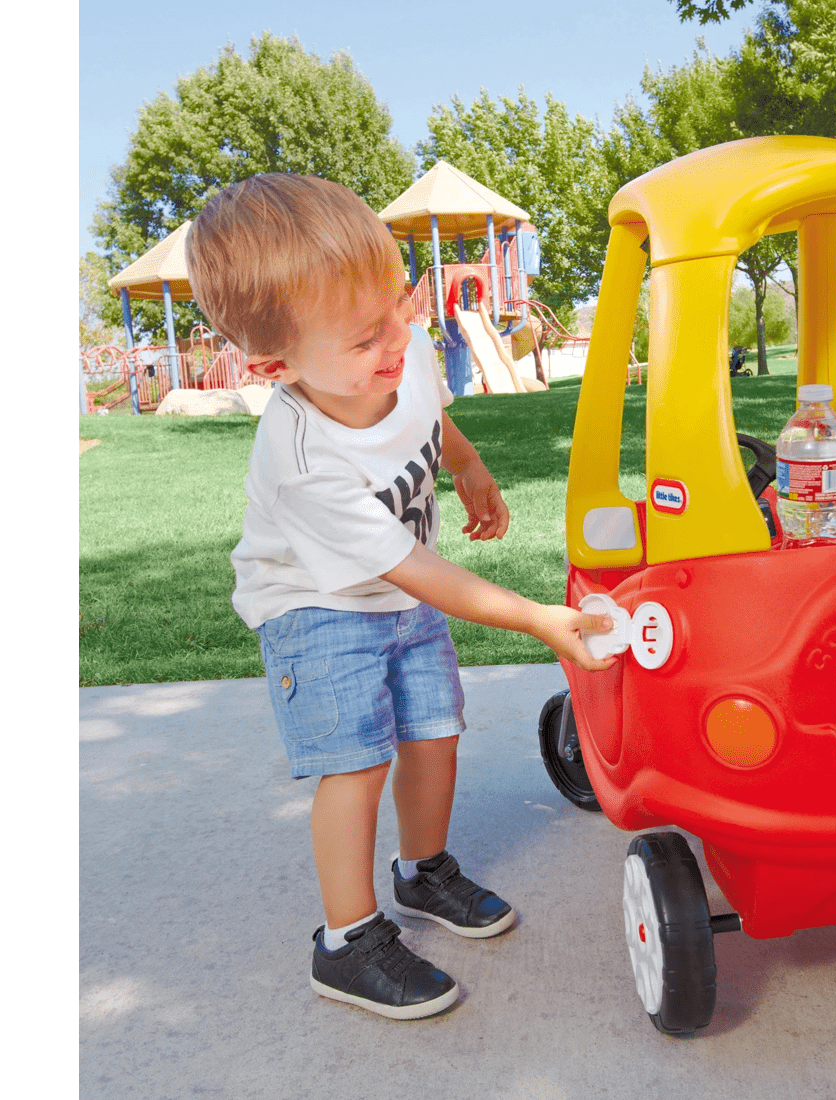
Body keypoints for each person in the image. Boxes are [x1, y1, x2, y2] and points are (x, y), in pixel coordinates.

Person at [185, 174, 615, 1021]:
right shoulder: (302, 459)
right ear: (276, 366)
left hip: (393, 588)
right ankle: (347, 942)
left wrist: (466, 463)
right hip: (317, 608)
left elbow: (427, 411)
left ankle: (424, 872)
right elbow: (423, 577)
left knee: (433, 734)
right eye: (363, 337)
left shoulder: (399, 349)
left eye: (397, 306)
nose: (397, 339)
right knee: (358, 762)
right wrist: (536, 619)